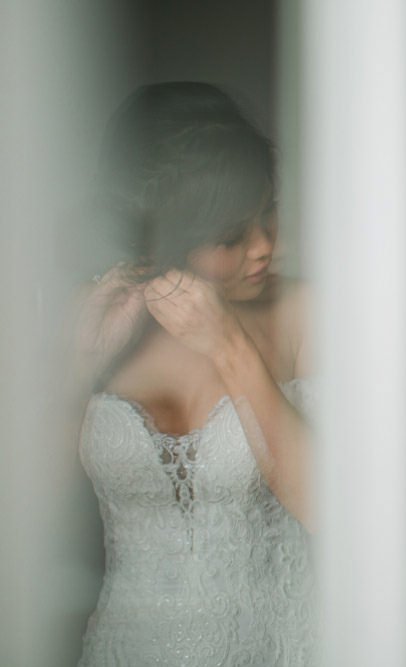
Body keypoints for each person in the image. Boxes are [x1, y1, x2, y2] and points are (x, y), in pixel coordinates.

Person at [73, 82, 315, 665]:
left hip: (282, 647)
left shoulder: (307, 312)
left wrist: (231, 345)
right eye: (232, 235)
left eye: (269, 213)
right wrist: (74, 373)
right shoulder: (90, 319)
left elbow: (333, 509)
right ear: (165, 236)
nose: (264, 247)